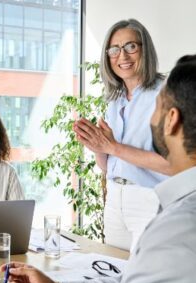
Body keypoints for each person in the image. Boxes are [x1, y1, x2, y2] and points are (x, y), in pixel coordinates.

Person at [0, 54, 196, 283]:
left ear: (171, 120)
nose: (149, 118)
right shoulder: (178, 216)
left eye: (156, 107)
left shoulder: (178, 229)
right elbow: (136, 282)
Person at [73, 19, 171, 250]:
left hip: (150, 199)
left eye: (131, 47)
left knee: (145, 280)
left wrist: (112, 146)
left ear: (145, 49)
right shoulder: (115, 99)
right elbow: (110, 166)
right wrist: (98, 147)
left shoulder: (167, 93)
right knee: (115, 274)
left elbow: (174, 165)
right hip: (115, 199)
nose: (122, 56)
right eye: (114, 50)